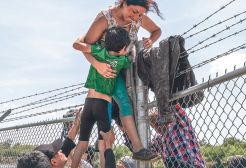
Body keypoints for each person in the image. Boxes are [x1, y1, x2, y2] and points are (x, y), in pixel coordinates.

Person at [77, 0, 162, 164]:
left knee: (132, 105)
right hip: (108, 71)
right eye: (133, 11)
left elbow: (157, 30)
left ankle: (130, 146)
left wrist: (151, 40)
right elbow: (85, 45)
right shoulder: (104, 18)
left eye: (140, 14)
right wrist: (98, 65)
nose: (136, 17)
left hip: (130, 69)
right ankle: (137, 148)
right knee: (121, 105)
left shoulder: (138, 18)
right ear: (123, 2)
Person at [72, 26, 132, 168]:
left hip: (88, 103)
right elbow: (130, 58)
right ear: (123, 48)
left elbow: (76, 45)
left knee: (82, 143)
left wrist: (84, 37)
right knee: (106, 142)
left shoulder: (99, 52)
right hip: (103, 105)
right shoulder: (122, 60)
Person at [17, 108, 81, 168]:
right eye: (57, 151)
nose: (61, 151)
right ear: (54, 161)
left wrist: (75, 125)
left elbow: (69, 139)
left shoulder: (52, 162)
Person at [149, 103, 206, 168]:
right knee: (169, 161)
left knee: (171, 160)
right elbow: (150, 149)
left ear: (164, 119)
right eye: (154, 126)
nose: (157, 128)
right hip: (174, 164)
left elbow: (177, 109)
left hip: (191, 165)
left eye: (158, 124)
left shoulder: (178, 125)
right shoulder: (158, 138)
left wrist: (166, 105)